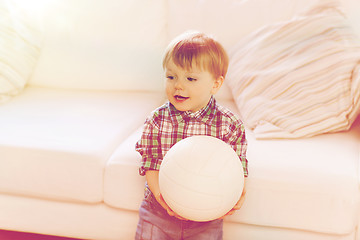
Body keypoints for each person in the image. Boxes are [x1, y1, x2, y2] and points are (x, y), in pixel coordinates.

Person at [135, 31, 248, 240]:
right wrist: (164, 200)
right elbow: (150, 164)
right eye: (171, 76)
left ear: (215, 84)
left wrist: (237, 194)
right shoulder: (157, 121)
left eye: (191, 78)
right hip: (158, 212)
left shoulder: (229, 125)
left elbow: (238, 167)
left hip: (206, 217)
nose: (178, 85)